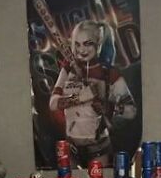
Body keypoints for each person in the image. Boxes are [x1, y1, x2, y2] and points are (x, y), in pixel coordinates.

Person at [49, 20, 136, 167]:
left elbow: (131, 111)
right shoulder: (68, 69)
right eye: (77, 44)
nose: (81, 50)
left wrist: (109, 107)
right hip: (71, 149)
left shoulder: (109, 72)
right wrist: (80, 98)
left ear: (98, 42)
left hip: (99, 149)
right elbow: (53, 104)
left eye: (87, 43)